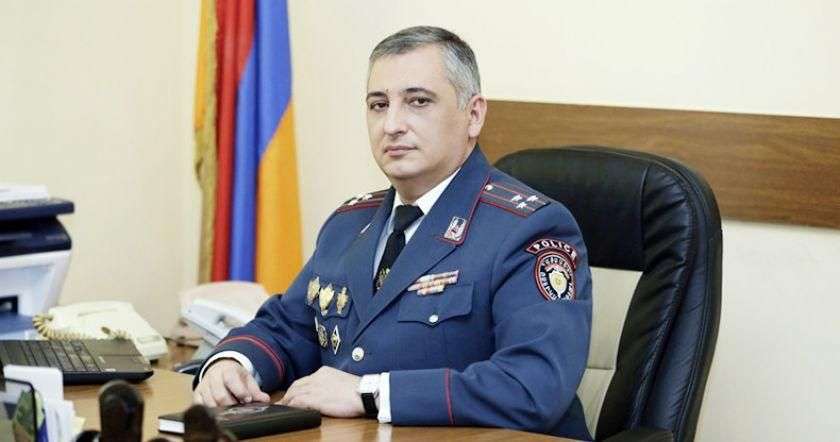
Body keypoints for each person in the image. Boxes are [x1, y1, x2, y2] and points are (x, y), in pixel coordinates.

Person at [193, 26, 593, 440]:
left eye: (418, 102)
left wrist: (371, 393)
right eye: (378, 105)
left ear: (473, 115)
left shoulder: (528, 228)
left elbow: (533, 385)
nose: (392, 124)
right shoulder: (350, 222)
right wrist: (234, 363)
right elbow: (291, 327)